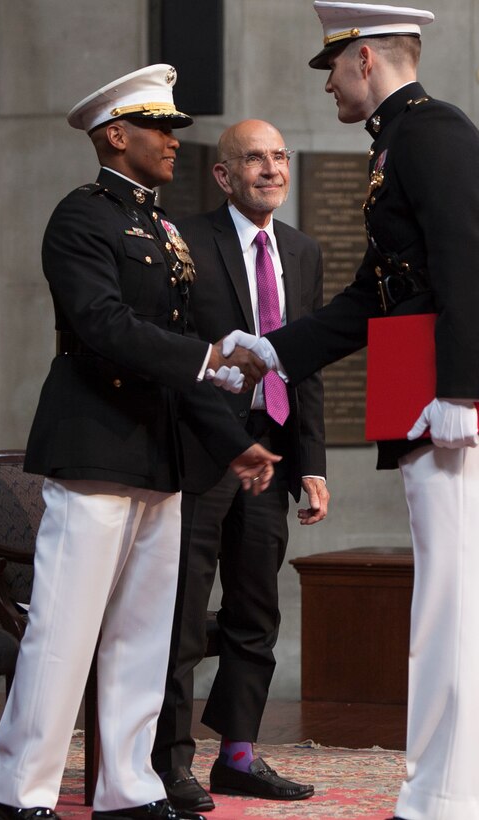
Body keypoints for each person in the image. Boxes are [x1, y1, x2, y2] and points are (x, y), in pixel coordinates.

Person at [216, 4, 479, 820]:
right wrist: (274, 350)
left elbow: (465, 260)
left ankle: (452, 800)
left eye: (333, 68)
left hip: (458, 405)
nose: (330, 83)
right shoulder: (399, 139)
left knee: (460, 605)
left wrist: (461, 391)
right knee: (446, 602)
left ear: (365, 59)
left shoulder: (432, 132)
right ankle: (442, 792)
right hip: (437, 399)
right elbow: (375, 291)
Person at [0, 65, 280, 820]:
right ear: (117, 136)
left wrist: (230, 438)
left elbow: (178, 351)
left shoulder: (161, 227)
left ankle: (128, 787)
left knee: (143, 636)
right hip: (96, 442)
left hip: (160, 451)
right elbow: (101, 325)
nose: (173, 143)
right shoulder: (82, 218)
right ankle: (17, 791)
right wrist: (206, 359)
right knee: (65, 628)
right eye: (160, 130)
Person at [152, 120, 328, 811]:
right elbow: (176, 354)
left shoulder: (302, 251)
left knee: (256, 606)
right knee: (182, 615)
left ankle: (239, 753)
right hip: (201, 450)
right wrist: (228, 440)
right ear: (223, 175)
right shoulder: (184, 241)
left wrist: (310, 463)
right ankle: (167, 763)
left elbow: (304, 364)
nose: (270, 169)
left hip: (274, 451)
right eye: (253, 158)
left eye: (279, 156)